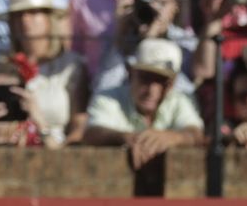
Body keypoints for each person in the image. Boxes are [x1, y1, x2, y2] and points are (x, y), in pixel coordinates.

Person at [83, 36, 205, 168]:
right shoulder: (108, 97)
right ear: (130, 74)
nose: (152, 90)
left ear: (172, 84)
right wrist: (126, 138)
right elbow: (92, 133)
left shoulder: (179, 100)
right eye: (145, 78)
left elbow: (196, 134)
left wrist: (172, 137)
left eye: (161, 81)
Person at [0, 0, 90, 147]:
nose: (25, 20)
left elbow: (79, 125)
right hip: (7, 150)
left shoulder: (71, 66)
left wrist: (40, 124)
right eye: (18, 15)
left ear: (49, 19)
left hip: (56, 154)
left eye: (33, 13)